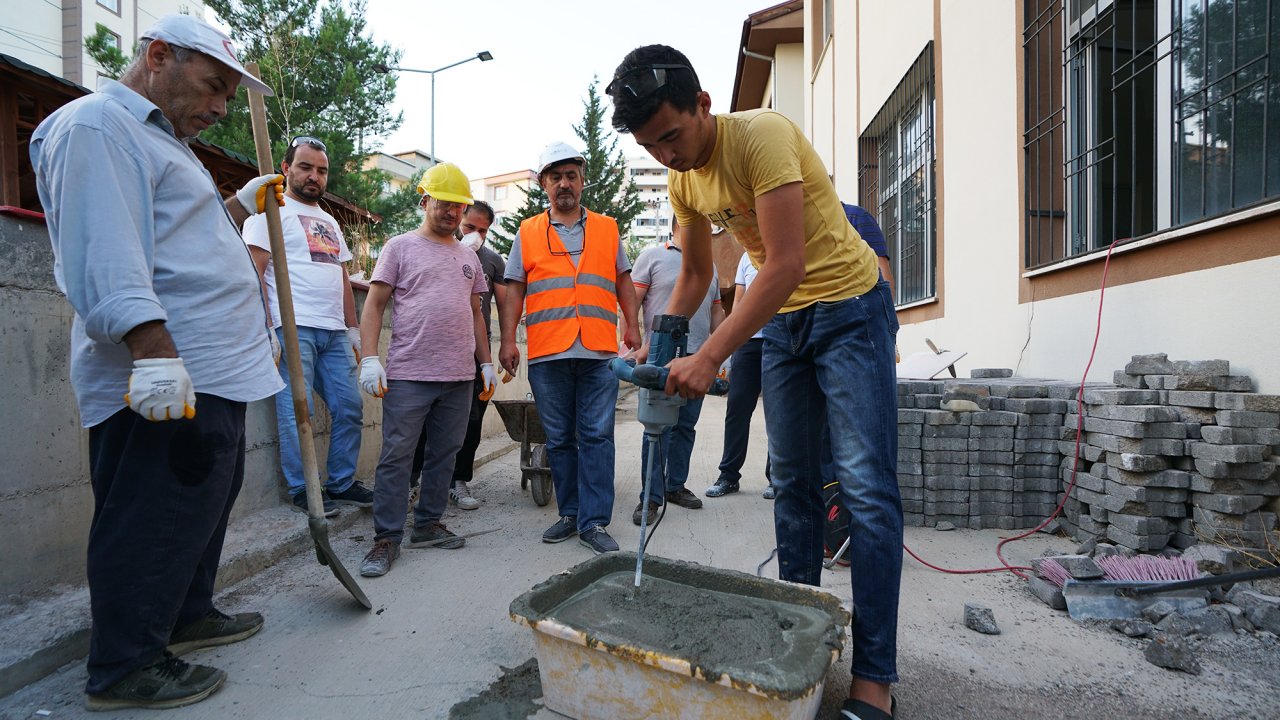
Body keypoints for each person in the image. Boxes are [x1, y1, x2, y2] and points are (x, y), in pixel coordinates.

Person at [609, 45, 902, 720]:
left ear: (703, 105)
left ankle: (874, 678)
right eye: (652, 147)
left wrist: (710, 357)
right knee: (791, 483)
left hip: (851, 310)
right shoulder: (684, 183)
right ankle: (800, 640)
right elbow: (691, 277)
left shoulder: (761, 138)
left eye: (673, 137)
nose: (668, 158)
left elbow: (786, 264)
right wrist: (663, 349)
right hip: (786, 327)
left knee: (863, 487)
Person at [30, 13, 286, 710]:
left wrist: (236, 205)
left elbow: (180, 239)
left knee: (201, 500)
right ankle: (124, 664)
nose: (220, 108)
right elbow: (104, 248)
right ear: (158, 56)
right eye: (211, 88)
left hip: (213, 367)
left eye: (230, 96)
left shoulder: (160, 140)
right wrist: (151, 353)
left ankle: (185, 614)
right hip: (169, 369)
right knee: (152, 513)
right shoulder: (97, 127)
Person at [499, 141, 641, 554]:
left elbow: (623, 281)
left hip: (598, 351)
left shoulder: (607, 227)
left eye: (571, 176)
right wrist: (508, 340)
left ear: (582, 182)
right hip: (548, 351)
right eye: (556, 176)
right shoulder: (527, 232)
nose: (564, 183)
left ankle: (594, 522)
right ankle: (570, 513)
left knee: (597, 436)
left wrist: (632, 325)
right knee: (560, 439)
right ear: (544, 183)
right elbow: (515, 288)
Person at [355, 162, 497, 578]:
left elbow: (476, 313)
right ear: (424, 201)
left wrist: (484, 362)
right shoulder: (399, 247)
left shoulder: (468, 258)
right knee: (398, 457)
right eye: (444, 203)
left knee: (445, 455)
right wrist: (369, 357)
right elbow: (374, 305)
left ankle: (429, 524)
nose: (452, 212)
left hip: (458, 377)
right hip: (410, 374)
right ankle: (386, 537)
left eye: (459, 205)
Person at [244, 135, 372, 518]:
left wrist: (352, 331)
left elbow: (342, 278)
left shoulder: (329, 220)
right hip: (292, 326)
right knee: (295, 412)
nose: (314, 176)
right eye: (305, 167)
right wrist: (265, 328)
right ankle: (302, 489)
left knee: (349, 406)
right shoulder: (267, 213)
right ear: (286, 169)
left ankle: (341, 482)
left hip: (333, 331)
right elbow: (255, 272)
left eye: (321, 170)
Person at [409, 200, 506, 511]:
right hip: (431, 348)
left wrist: (498, 352)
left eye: (483, 231)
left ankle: (457, 479)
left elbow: (501, 307)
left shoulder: (492, 261)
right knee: (422, 416)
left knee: (472, 419)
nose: (476, 235)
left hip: (476, 350)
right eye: (470, 227)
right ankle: (413, 479)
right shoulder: (430, 248)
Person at [630, 236, 722, 524]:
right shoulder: (652, 256)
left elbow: (717, 310)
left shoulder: (710, 264)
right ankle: (651, 497)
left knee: (686, 426)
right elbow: (630, 301)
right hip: (662, 355)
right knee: (658, 428)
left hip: (699, 355)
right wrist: (632, 344)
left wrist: (721, 357)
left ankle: (675, 486)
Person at [706, 251, 774, 500]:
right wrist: (733, 341)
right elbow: (738, 303)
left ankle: (776, 477)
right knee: (737, 410)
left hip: (780, 341)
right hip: (749, 342)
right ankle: (728, 476)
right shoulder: (746, 257)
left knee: (777, 413)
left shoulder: (786, 246)